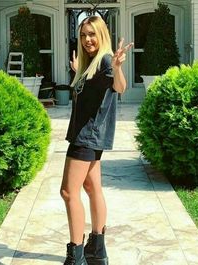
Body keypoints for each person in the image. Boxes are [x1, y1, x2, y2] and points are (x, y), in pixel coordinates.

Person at [60, 16, 133, 265]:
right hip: (92, 135)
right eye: (83, 35)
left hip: (87, 136)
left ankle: (76, 254)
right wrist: (77, 73)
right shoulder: (91, 63)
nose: (87, 39)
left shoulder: (104, 60)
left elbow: (119, 87)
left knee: (69, 192)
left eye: (92, 34)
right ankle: (97, 250)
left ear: (101, 35)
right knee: (92, 189)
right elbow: (93, 90)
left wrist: (118, 67)